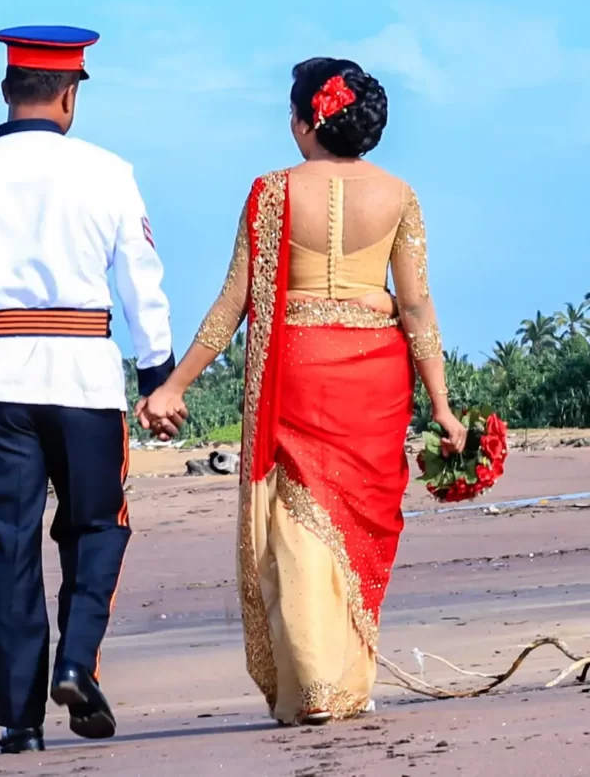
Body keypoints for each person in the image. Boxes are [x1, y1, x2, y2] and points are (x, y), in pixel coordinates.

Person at [135, 57, 463, 726]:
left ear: (311, 119)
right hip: (376, 373)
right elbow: (418, 309)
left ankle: (313, 682)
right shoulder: (399, 195)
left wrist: (174, 385)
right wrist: (443, 406)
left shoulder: (272, 191)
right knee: (354, 523)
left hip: (298, 366)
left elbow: (234, 303)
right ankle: (336, 678)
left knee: (296, 521)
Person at [0, 25, 176, 754]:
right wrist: (157, 376)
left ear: (6, 90)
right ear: (69, 95)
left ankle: (19, 722)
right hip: (85, 376)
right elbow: (141, 283)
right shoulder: (109, 171)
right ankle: (77, 661)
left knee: (6, 550)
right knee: (97, 527)